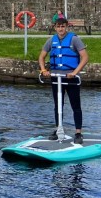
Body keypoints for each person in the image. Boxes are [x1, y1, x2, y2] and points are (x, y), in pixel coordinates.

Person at [38, 16, 89, 144]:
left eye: (63, 26)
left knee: (75, 105)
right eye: (58, 26)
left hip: (70, 78)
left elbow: (84, 57)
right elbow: (42, 56)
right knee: (58, 105)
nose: (61, 28)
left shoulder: (74, 39)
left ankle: (78, 132)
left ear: (66, 26)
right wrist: (44, 70)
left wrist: (75, 73)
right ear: (55, 27)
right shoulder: (51, 40)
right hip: (56, 78)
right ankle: (58, 129)